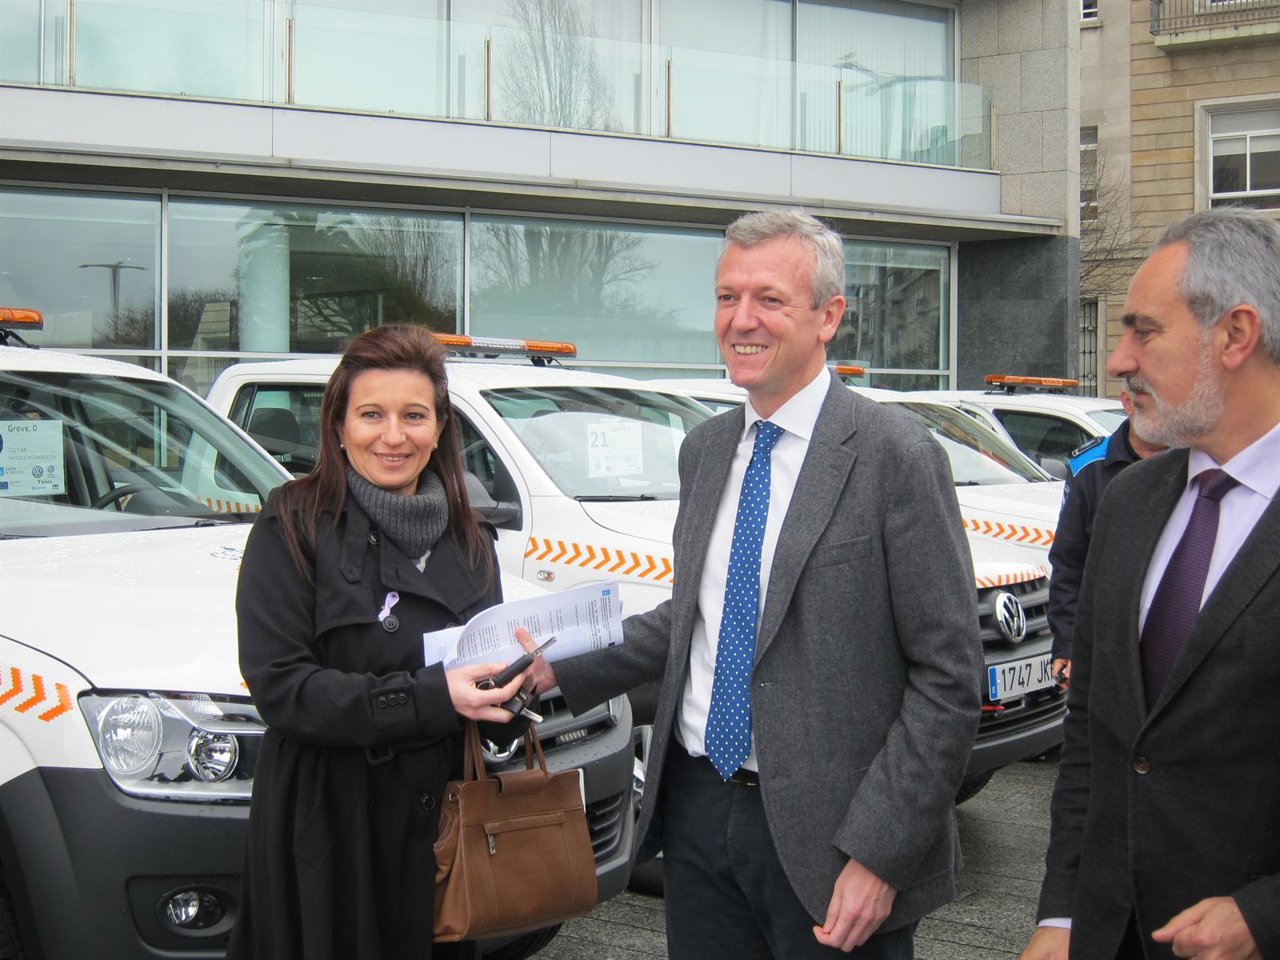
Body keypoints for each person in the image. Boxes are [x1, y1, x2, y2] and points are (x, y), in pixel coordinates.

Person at [525, 210, 982, 958]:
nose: (742, 320)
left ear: (828, 315)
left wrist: (881, 852)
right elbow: (700, 616)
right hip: (700, 813)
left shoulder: (895, 455)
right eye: (725, 297)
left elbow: (949, 677)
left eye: (769, 298)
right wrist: (558, 660)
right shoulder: (705, 450)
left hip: (836, 839)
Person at [1020, 206, 1280, 960]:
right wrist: (1062, 915)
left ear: (1236, 334)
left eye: (1144, 331)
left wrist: (1265, 916)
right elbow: (1092, 738)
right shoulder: (1126, 498)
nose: (1118, 361)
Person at [228, 324, 532, 960]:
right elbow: (282, 687)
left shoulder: (472, 538)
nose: (394, 436)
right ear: (338, 426)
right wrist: (430, 697)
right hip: (330, 825)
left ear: (440, 428)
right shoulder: (291, 525)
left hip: (443, 827)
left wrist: (511, 687)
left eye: (414, 416)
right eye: (372, 414)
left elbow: (478, 673)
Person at [1046, 390, 1166, 685]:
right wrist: (1068, 643)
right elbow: (1069, 564)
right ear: (1127, 402)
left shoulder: (1196, 460)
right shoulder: (1089, 468)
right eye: (1154, 399)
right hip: (1109, 647)